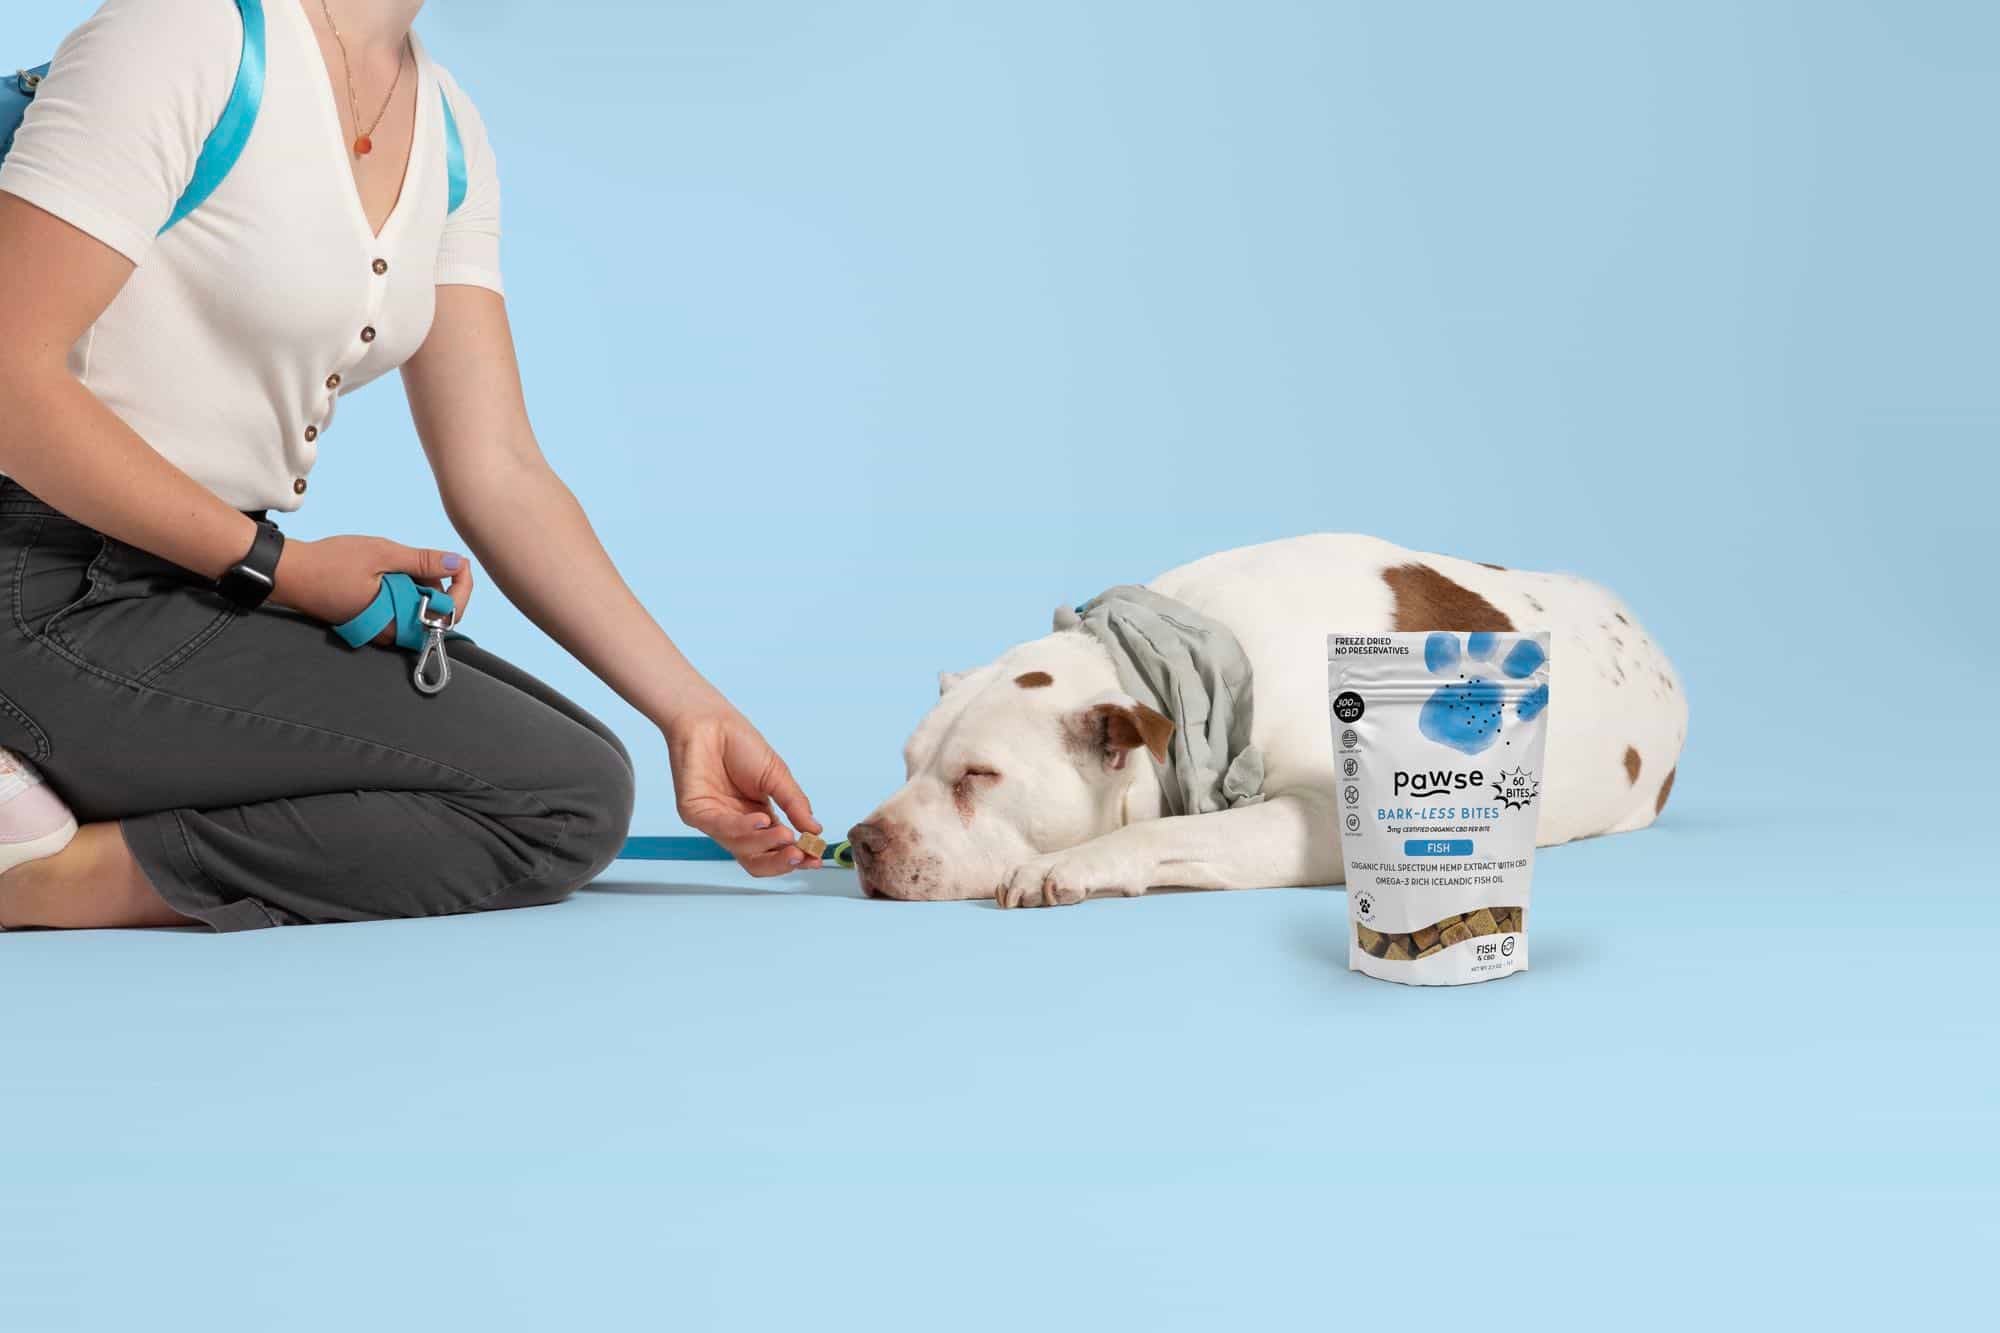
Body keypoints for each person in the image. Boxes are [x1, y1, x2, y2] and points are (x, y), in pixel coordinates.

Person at [0, 0, 820, 931]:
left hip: (197, 582)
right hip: (41, 586)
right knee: (563, 797)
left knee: (576, 772)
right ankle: (43, 879)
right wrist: (286, 570)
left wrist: (690, 711)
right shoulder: (186, 34)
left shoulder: (446, 129)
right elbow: (10, 381)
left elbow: (500, 468)